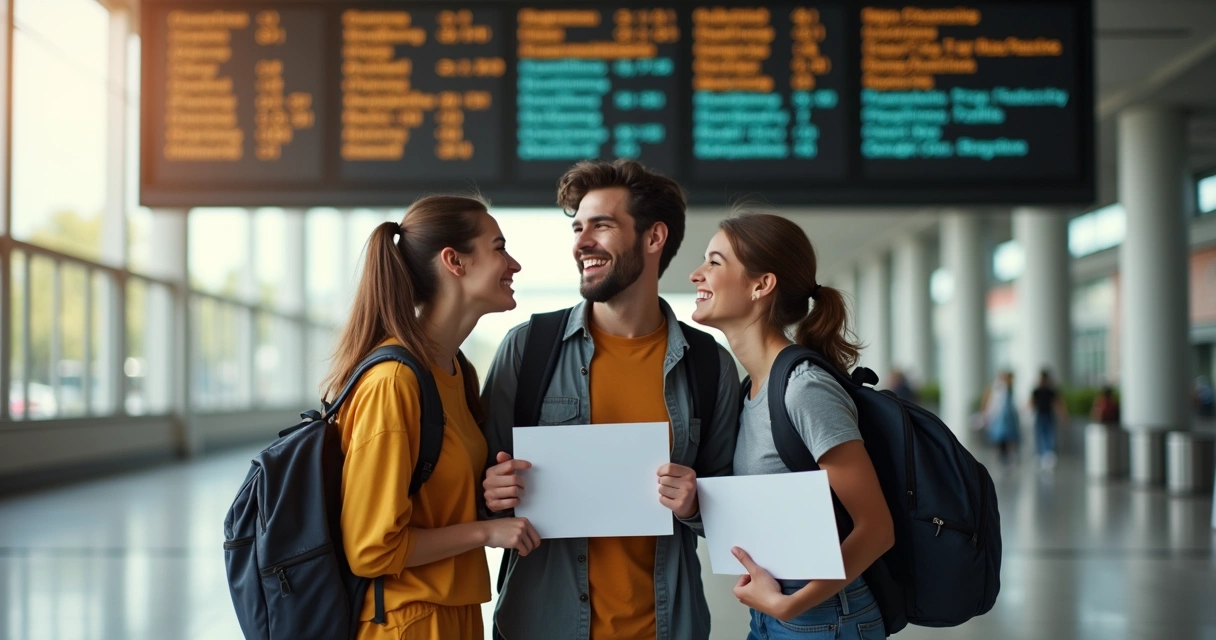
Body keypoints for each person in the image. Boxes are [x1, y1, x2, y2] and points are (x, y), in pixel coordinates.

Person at [479, 159, 741, 640]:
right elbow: (480, 496)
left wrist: (696, 504)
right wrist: (492, 492)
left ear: (653, 237)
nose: (581, 243)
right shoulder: (528, 349)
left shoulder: (708, 364)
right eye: (578, 227)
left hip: (666, 627)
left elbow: (731, 509)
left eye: (601, 225)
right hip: (541, 625)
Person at [323, 196, 539, 640]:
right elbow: (371, 550)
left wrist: (489, 493)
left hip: (452, 616)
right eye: (499, 247)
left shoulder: (456, 371)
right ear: (454, 261)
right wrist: (485, 531)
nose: (513, 264)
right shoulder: (394, 382)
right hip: (405, 623)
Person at [688, 211, 894, 640]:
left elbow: (877, 529)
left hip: (822, 616)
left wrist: (793, 604)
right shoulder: (751, 388)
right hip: (776, 613)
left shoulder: (804, 390)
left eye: (714, 262)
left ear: (762, 285)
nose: (696, 274)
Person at [1029, 369, 1066, 469]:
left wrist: (1062, 415)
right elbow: (1031, 402)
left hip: (1049, 415)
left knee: (1049, 434)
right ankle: (1040, 453)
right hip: (1040, 414)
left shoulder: (1051, 391)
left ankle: (1049, 454)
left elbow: (1057, 403)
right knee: (1040, 434)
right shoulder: (1036, 390)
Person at [983, 371, 1020, 467]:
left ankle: (1006, 456)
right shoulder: (999, 387)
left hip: (1005, 416)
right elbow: (994, 402)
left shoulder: (1007, 387)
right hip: (1001, 415)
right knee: (1002, 436)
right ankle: (1004, 456)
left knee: (1007, 436)